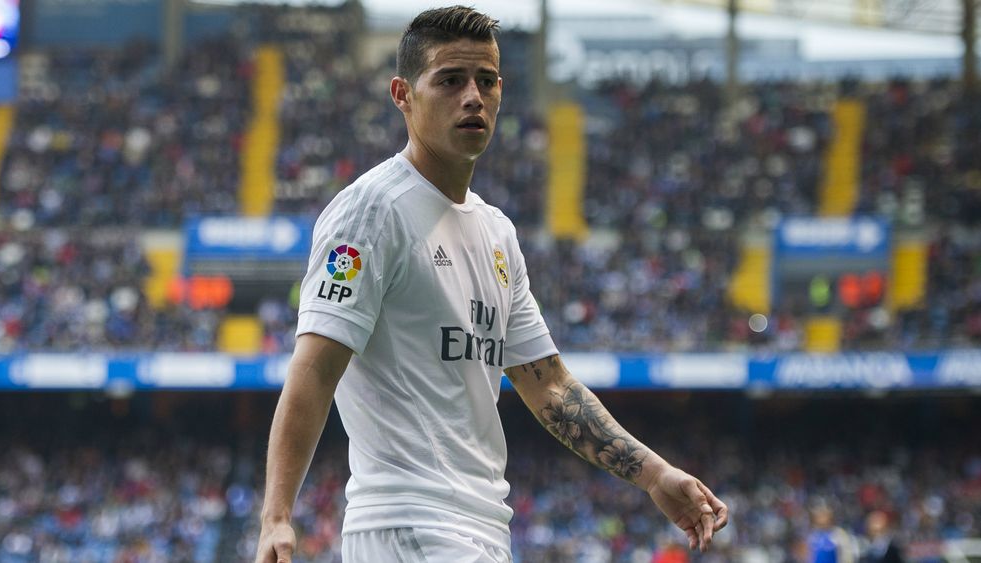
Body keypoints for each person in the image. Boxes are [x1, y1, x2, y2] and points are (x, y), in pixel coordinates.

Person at [254, 6, 729, 562]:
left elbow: (548, 384)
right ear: (403, 95)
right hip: (408, 521)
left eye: (487, 80)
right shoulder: (371, 211)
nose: (474, 96)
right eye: (451, 80)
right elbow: (314, 369)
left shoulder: (496, 233)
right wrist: (277, 518)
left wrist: (654, 475)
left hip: (482, 526)